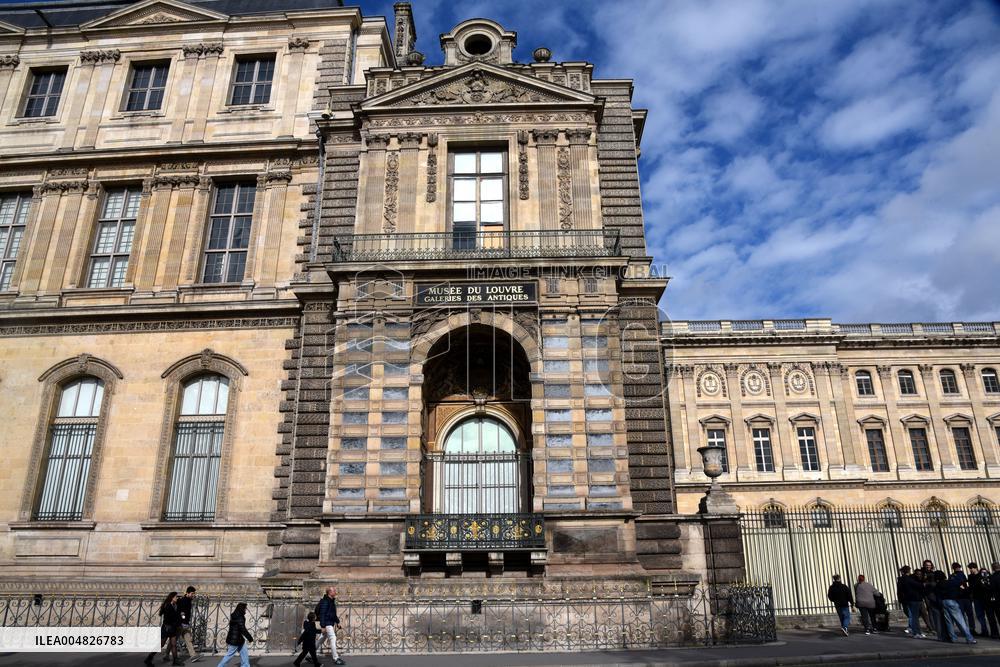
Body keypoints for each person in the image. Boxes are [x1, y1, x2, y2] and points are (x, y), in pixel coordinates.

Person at [144, 591, 183, 666]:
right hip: (167, 628)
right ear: (172, 597)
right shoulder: (167, 605)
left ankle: (175, 660)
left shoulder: (175, 605)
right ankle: (148, 658)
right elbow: (169, 618)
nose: (177, 598)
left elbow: (176, 614)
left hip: (172, 628)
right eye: (176, 597)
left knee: (174, 644)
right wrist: (177, 619)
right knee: (161, 644)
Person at [940, 565, 976, 644]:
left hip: (944, 602)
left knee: (949, 622)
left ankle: (953, 638)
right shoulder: (953, 581)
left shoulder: (939, 584)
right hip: (952, 601)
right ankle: (969, 638)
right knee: (960, 621)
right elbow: (962, 584)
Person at [216, 602, 254, 667]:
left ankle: (245, 665)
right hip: (235, 640)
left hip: (239, 639)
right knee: (229, 655)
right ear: (242, 609)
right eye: (245, 608)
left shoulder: (234, 615)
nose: (246, 610)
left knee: (244, 653)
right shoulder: (240, 617)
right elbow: (243, 629)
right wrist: (250, 638)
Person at [316, 587, 345, 665]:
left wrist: (337, 622)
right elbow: (322, 614)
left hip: (329, 623)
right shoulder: (326, 601)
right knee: (333, 638)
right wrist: (322, 626)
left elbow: (333, 614)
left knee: (321, 639)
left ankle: (311, 653)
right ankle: (336, 658)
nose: (335, 592)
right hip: (327, 624)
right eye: (334, 591)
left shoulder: (331, 601)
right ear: (329, 592)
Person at [898, 566, 927, 638]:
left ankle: (917, 632)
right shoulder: (908, 579)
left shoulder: (901, 579)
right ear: (908, 571)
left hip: (907, 599)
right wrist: (923, 583)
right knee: (914, 617)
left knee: (913, 616)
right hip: (914, 599)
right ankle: (917, 632)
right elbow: (918, 585)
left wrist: (901, 600)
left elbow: (899, 590)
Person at [176, 586, 201, 663]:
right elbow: (182, 612)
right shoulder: (184, 600)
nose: (193, 595)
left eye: (194, 593)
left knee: (187, 639)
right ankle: (165, 654)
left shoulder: (188, 600)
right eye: (192, 593)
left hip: (183, 623)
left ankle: (193, 656)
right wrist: (184, 620)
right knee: (173, 640)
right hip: (181, 623)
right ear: (187, 593)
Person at [968, 562, 991, 636]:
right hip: (976, 598)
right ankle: (984, 631)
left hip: (984, 597)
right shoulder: (970, 577)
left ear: (975, 568)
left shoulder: (981, 574)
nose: (970, 570)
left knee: (989, 615)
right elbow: (971, 587)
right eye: (969, 569)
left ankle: (993, 631)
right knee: (980, 615)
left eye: (971, 568)